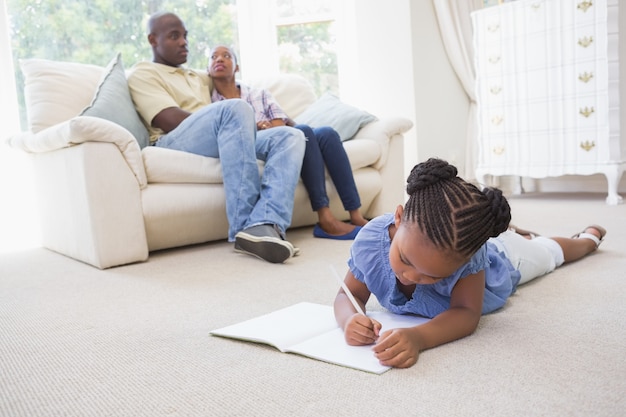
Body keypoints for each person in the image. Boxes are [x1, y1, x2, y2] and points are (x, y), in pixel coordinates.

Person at [334, 157, 606, 369]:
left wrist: (419, 338)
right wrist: (349, 319)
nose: (411, 276)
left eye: (432, 276)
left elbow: (466, 313)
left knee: (548, 253)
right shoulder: (370, 241)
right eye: (405, 259)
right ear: (398, 217)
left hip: (507, 257)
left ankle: (587, 239)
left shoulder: (471, 258)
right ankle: (515, 231)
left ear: (463, 263)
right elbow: (349, 295)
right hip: (475, 243)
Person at [127, 12, 306, 264]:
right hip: (173, 140)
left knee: (289, 136)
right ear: (153, 40)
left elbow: (227, 77)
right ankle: (244, 227)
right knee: (235, 109)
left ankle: (265, 221)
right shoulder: (143, 73)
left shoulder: (196, 75)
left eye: (186, 36)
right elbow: (166, 119)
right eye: (174, 36)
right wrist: (228, 119)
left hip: (220, 135)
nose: (184, 43)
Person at [207, 45, 368, 240]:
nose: (219, 59)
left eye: (226, 56)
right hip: (256, 143)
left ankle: (356, 215)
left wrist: (269, 126)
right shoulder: (214, 105)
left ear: (237, 67)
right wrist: (258, 127)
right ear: (208, 69)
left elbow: (281, 123)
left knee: (327, 133)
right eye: (213, 57)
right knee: (304, 132)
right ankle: (325, 217)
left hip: (283, 134)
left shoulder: (259, 94)